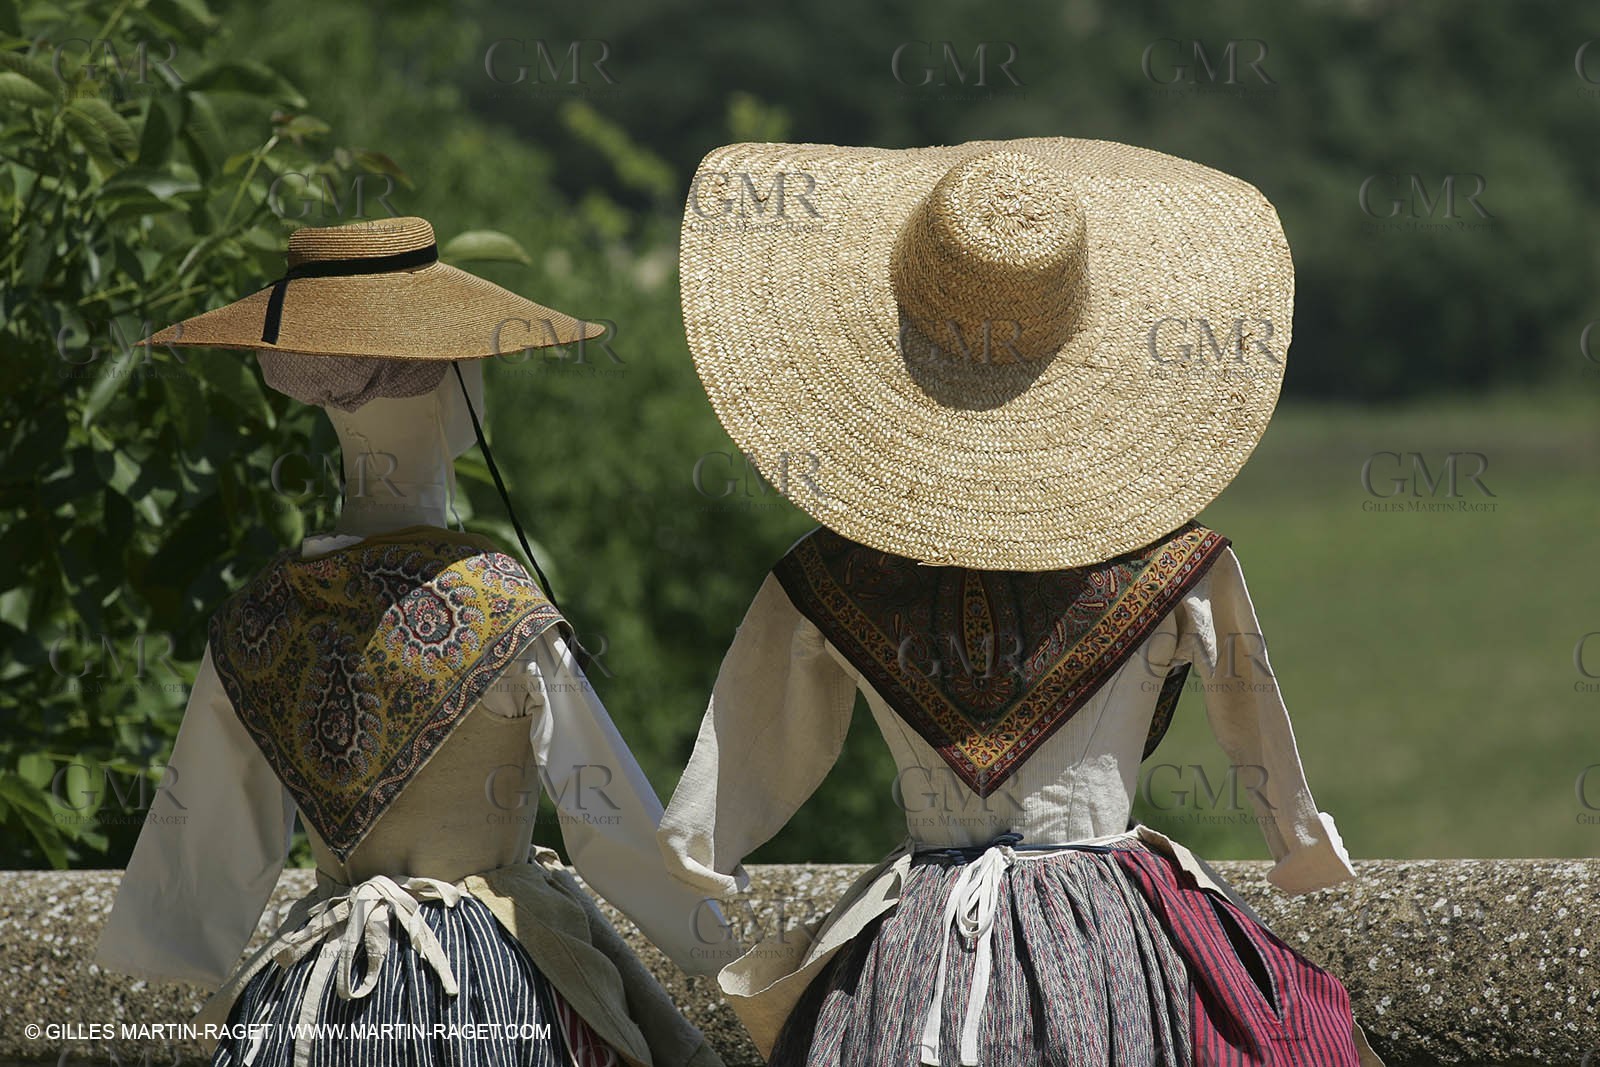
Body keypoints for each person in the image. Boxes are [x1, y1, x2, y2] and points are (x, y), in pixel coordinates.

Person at [659, 139, 1385, 1066]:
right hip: (1117, 944)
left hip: (913, 954)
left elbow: (747, 746)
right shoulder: (1180, 564)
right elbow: (1254, 717)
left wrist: (692, 854)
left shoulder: (826, 579)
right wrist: (1298, 843)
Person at [96, 217, 729, 1067]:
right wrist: (715, 939)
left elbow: (205, 848)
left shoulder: (256, 618)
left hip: (317, 1000)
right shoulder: (497, 601)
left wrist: (174, 950)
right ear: (445, 383)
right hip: (495, 992)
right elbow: (605, 813)